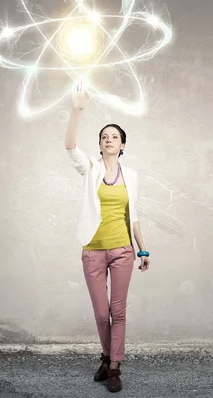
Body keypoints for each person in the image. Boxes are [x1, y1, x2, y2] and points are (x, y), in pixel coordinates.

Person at [65, 80, 150, 393]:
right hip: (93, 250)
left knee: (119, 311)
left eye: (115, 137)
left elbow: (135, 214)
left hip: (123, 251)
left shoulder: (133, 176)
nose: (109, 140)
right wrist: (76, 111)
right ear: (99, 145)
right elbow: (70, 147)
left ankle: (114, 366)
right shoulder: (91, 169)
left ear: (122, 145)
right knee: (102, 313)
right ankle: (105, 355)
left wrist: (143, 250)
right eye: (104, 137)